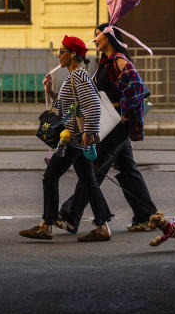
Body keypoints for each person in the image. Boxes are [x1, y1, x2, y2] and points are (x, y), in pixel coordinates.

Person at [55, 23, 158, 234]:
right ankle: (146, 216)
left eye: (98, 36)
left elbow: (136, 87)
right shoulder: (105, 63)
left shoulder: (118, 60)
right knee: (128, 171)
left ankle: (70, 216)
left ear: (108, 38)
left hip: (116, 126)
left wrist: (123, 114)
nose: (95, 40)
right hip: (112, 125)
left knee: (92, 170)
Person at [19, 35, 114, 242]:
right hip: (76, 139)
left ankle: (46, 225)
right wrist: (51, 91)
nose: (58, 56)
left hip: (73, 140)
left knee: (49, 177)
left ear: (72, 55)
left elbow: (93, 106)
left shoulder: (78, 76)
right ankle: (102, 226)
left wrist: (88, 132)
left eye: (61, 52)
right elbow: (66, 108)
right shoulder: (74, 76)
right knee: (89, 182)